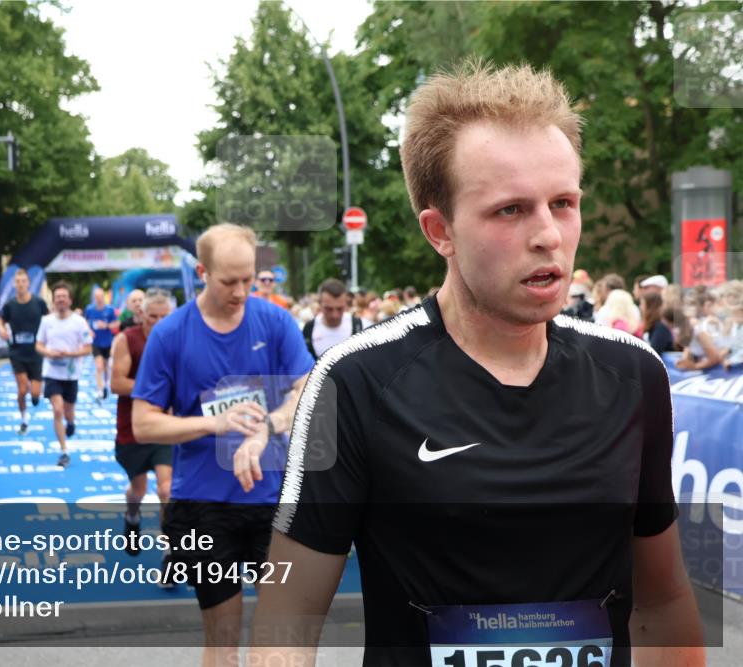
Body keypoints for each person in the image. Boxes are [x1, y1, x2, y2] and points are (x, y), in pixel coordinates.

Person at [250, 60, 703, 667]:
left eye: (563, 202)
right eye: (510, 210)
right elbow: (285, 631)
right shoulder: (354, 383)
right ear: (441, 231)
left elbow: (663, 601)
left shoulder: (634, 375)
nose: (548, 234)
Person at [132, 223, 314, 666]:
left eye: (248, 279)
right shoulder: (171, 333)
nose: (240, 291)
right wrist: (212, 425)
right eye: (228, 281)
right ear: (201, 272)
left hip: (273, 498)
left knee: (282, 636)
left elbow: (307, 390)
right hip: (204, 504)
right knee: (223, 638)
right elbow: (143, 425)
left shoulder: (273, 321)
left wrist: (266, 427)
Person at [110, 288, 173, 557]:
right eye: (152, 317)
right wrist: (153, 390)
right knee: (138, 489)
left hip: (166, 426)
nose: (157, 322)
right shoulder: (128, 340)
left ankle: (168, 552)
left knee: (166, 490)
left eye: (163, 317)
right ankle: (132, 516)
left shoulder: (177, 341)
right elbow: (116, 383)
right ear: (141, 315)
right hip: (133, 426)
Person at [35, 281, 92, 468]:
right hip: (51, 373)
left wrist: (70, 354)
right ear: (53, 300)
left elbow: (87, 348)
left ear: (69, 300)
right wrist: (48, 353)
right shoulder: (46, 321)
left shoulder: (79, 322)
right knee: (57, 410)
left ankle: (71, 421)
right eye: (57, 297)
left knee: (68, 412)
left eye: (63, 297)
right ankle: (64, 451)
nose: (60, 300)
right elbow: (39, 345)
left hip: (71, 373)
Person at [0, 268, 49, 434]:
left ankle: (34, 398)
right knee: (22, 389)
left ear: (28, 283)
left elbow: (49, 320)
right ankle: (24, 417)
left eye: (23, 281)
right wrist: (1, 329)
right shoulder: (9, 306)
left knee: (35, 393)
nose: (20, 284)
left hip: (36, 352)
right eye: (17, 282)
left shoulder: (38, 303)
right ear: (14, 284)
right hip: (17, 352)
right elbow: (1, 320)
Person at [303, 279, 367, 360]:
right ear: (320, 304)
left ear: (346, 304)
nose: (335, 315)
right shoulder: (309, 328)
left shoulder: (359, 325)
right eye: (329, 309)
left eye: (340, 308)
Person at [84, 287, 118, 400]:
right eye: (96, 297)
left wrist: (106, 326)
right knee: (99, 367)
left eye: (100, 297)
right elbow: (85, 322)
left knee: (106, 367)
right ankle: (100, 388)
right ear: (94, 298)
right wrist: (88, 330)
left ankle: (106, 383)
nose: (98, 299)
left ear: (104, 297)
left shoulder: (110, 310)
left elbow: (116, 323)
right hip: (96, 342)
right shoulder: (89, 309)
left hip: (107, 342)